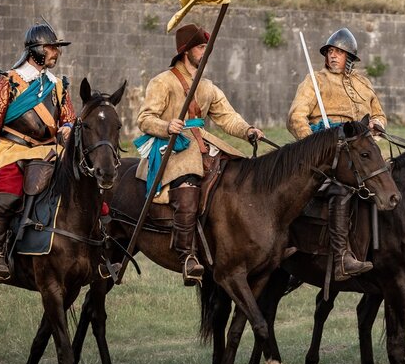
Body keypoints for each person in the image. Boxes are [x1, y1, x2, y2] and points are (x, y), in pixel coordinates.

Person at [136, 23, 264, 286]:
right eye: (201, 47)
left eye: (207, 47)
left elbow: (228, 118)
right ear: (186, 51)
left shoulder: (208, 87)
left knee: (237, 176)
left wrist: (247, 130)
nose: (206, 52)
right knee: (188, 185)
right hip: (175, 149)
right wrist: (166, 126)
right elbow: (145, 119)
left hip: (205, 144)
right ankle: (187, 256)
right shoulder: (163, 81)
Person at [0, 21, 76, 282]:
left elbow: (69, 119)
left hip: (49, 151)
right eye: (52, 48)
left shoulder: (59, 86)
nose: (57, 52)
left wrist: (67, 128)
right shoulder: (8, 82)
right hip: (14, 150)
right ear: (36, 50)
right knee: (7, 188)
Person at [287, 28, 386, 280]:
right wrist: (314, 145)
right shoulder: (315, 81)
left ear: (349, 57)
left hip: (362, 151)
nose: (333, 56)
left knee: (392, 180)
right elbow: (296, 116)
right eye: (330, 51)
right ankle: (342, 256)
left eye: (339, 52)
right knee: (342, 188)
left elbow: (378, 114)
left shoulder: (364, 84)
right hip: (328, 152)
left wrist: (377, 125)